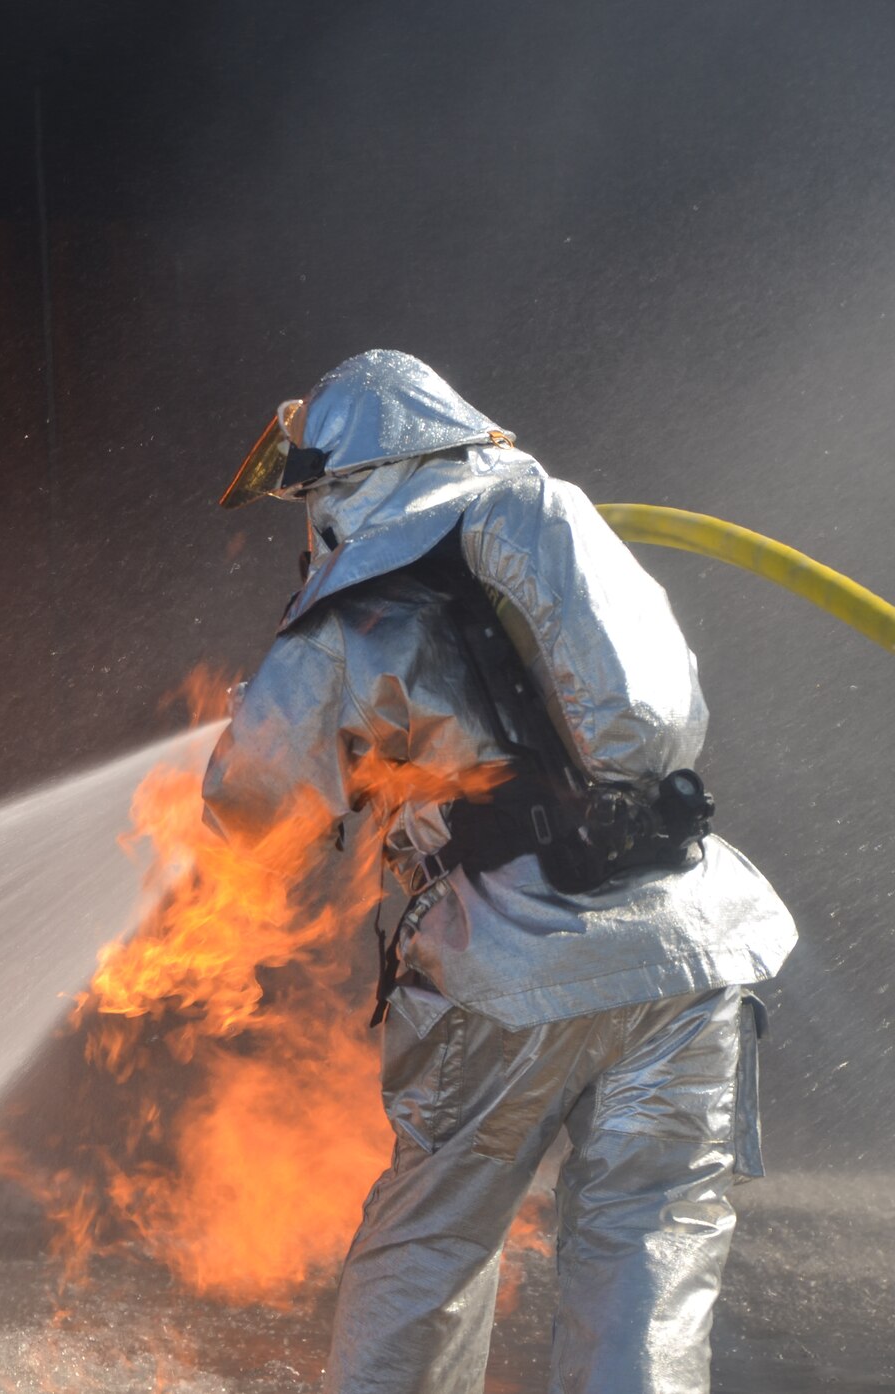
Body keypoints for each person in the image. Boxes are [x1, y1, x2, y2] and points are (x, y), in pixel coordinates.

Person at [205, 350, 796, 1394]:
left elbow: (249, 806)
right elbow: (656, 720)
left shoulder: (353, 614)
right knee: (644, 1245)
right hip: (686, 940)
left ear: (342, 482)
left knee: (430, 1242)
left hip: (507, 963)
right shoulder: (549, 517)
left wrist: (281, 708)